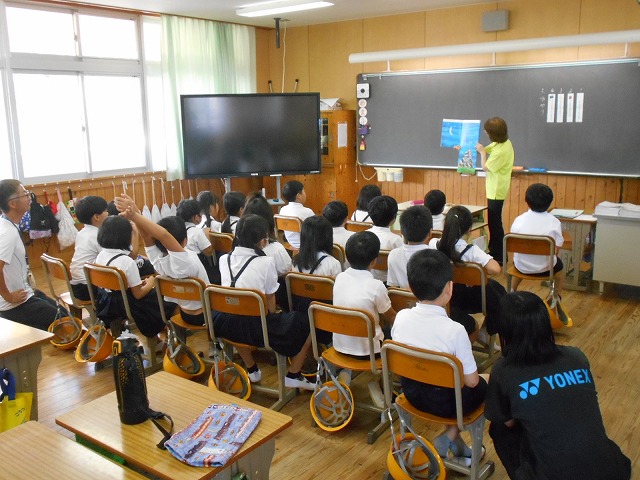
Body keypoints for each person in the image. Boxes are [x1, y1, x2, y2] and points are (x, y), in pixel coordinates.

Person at [486, 292, 631, 480]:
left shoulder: (503, 371)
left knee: (500, 428)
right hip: (614, 471)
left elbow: (509, 422)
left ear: (504, 331)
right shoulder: (576, 356)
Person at [391, 249, 487, 466]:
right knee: (488, 380)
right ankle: (449, 437)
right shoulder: (455, 330)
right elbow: (471, 382)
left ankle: (454, 442)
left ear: (410, 287)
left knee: (448, 385)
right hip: (447, 405)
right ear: (449, 288)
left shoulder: (401, 317)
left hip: (412, 393)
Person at [215, 214, 314, 390]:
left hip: (224, 324)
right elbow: (270, 298)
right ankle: (293, 374)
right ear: (262, 241)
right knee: (306, 321)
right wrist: (273, 319)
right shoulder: (266, 262)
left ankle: (252, 368)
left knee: (239, 317)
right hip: (255, 327)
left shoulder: (224, 259)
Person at [114, 195, 209, 327]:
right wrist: (134, 216)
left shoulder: (158, 261)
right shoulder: (185, 261)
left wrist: (135, 213)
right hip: (205, 315)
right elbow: (164, 235)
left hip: (183, 314)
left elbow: (147, 235)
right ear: (185, 240)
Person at [332, 231, 396, 404]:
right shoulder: (376, 286)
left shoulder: (339, 278)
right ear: (374, 261)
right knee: (394, 333)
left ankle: (346, 373)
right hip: (370, 353)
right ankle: (382, 384)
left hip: (339, 346)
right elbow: (392, 317)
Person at [431, 205, 507, 336]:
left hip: (442, 294)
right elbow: (495, 268)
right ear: (469, 230)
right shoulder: (471, 251)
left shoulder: (433, 244)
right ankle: (489, 331)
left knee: (494, 289)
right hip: (465, 298)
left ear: (445, 225)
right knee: (495, 292)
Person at [0, 180, 65, 330]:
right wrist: (8, 296)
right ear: (12, 204)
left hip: (25, 294)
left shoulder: (8, 225)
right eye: (24, 194)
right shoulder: (7, 232)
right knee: (69, 326)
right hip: (15, 305)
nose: (29, 197)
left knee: (66, 316)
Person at [95, 215, 173, 341]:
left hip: (106, 302)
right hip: (126, 304)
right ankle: (166, 336)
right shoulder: (126, 261)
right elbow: (138, 294)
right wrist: (151, 282)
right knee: (166, 300)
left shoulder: (101, 255)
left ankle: (157, 337)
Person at [510, 183, 565, 295]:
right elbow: (558, 246)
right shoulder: (554, 222)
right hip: (546, 269)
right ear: (550, 202)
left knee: (519, 261)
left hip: (521, 267)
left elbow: (513, 240)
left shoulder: (518, 220)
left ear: (527, 202)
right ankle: (556, 296)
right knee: (561, 268)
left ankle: (512, 290)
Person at [475, 117, 514, 262]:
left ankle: (499, 255)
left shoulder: (500, 152)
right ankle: (496, 251)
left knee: (495, 223)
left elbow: (485, 167)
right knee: (494, 222)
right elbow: (485, 148)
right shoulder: (503, 143)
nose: (486, 134)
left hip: (496, 191)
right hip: (496, 188)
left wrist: (482, 153)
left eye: (487, 132)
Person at [243, 193, 292, 309]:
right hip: (269, 306)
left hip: (243, 307)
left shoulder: (233, 253)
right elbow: (289, 276)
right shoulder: (275, 249)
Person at [69, 195, 109, 301]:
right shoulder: (97, 236)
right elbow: (112, 257)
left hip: (75, 286)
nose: (108, 213)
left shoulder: (82, 233)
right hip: (89, 288)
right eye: (106, 211)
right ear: (97, 217)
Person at [387, 205, 432, 289]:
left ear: (401, 232)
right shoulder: (435, 256)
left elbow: (393, 288)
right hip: (428, 301)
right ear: (430, 233)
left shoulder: (393, 255)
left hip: (402, 301)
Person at [176, 198, 217, 283]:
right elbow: (208, 252)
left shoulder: (178, 230)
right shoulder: (197, 232)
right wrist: (207, 234)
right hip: (200, 271)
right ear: (196, 217)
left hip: (184, 270)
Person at [367, 195, 403, 283]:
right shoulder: (396, 239)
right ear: (394, 218)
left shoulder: (364, 235)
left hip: (368, 279)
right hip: (388, 282)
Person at [279, 180, 314, 250]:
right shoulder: (307, 212)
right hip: (307, 246)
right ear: (298, 196)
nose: (305, 194)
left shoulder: (282, 210)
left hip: (291, 243)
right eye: (304, 191)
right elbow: (318, 230)